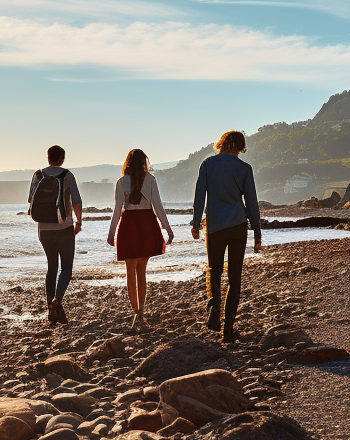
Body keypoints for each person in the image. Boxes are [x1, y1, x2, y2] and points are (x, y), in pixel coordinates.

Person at [190, 130, 262, 342]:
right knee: (235, 277)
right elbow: (252, 202)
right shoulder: (244, 168)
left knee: (214, 271)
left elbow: (199, 197)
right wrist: (257, 232)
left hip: (215, 227)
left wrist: (195, 224)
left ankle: (214, 308)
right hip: (238, 226)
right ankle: (228, 329)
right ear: (239, 147)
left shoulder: (207, 164)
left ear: (222, 144)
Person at [107, 149, 174, 332]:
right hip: (146, 223)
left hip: (129, 224)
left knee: (130, 271)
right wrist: (167, 228)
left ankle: (135, 311)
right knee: (141, 271)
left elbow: (117, 210)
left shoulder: (121, 182)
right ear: (144, 162)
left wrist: (111, 233)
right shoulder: (150, 180)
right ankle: (141, 312)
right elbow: (158, 206)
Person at [28, 145, 83, 326]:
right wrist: (78, 222)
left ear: (48, 157)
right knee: (66, 268)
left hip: (44, 230)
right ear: (62, 158)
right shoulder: (67, 175)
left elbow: (31, 202)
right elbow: (77, 202)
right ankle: (57, 301)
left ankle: (50, 310)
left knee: (52, 268)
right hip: (64, 227)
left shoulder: (37, 175)